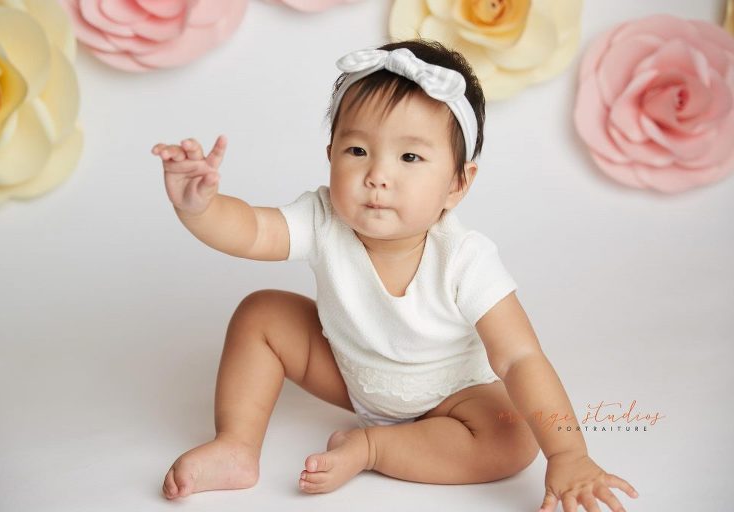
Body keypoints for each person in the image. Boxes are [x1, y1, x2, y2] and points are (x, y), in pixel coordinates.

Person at [151, 39, 639, 511]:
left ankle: (373, 449)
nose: (378, 175)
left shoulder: (465, 259)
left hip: (452, 399)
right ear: (329, 156)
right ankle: (236, 445)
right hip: (350, 374)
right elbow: (252, 231)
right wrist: (201, 206)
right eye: (358, 151)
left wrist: (569, 454)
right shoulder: (324, 218)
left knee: (511, 440)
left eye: (409, 157)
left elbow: (520, 358)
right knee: (262, 313)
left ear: (457, 183)